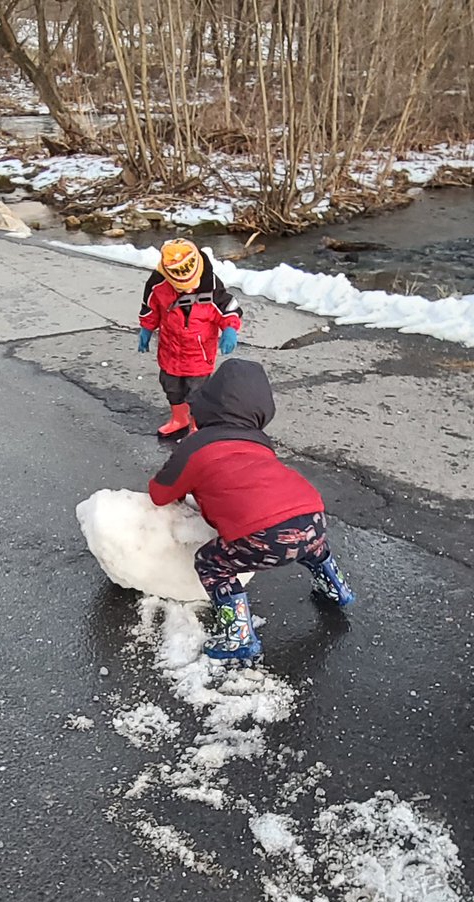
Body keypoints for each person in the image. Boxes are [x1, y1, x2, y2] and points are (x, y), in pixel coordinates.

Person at [148, 359, 354, 662]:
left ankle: (238, 636)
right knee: (310, 546)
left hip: (263, 535)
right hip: (313, 516)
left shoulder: (196, 445)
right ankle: (337, 588)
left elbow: (160, 493)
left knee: (212, 564)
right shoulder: (259, 443)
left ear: (208, 403)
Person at [138, 239, 243, 440]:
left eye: (190, 285)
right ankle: (179, 419)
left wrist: (230, 329)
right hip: (170, 350)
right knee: (171, 387)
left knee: (197, 393)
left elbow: (228, 309)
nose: (186, 290)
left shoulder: (211, 287)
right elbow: (150, 308)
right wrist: (146, 328)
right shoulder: (157, 285)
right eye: (180, 287)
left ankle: (196, 425)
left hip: (198, 355)